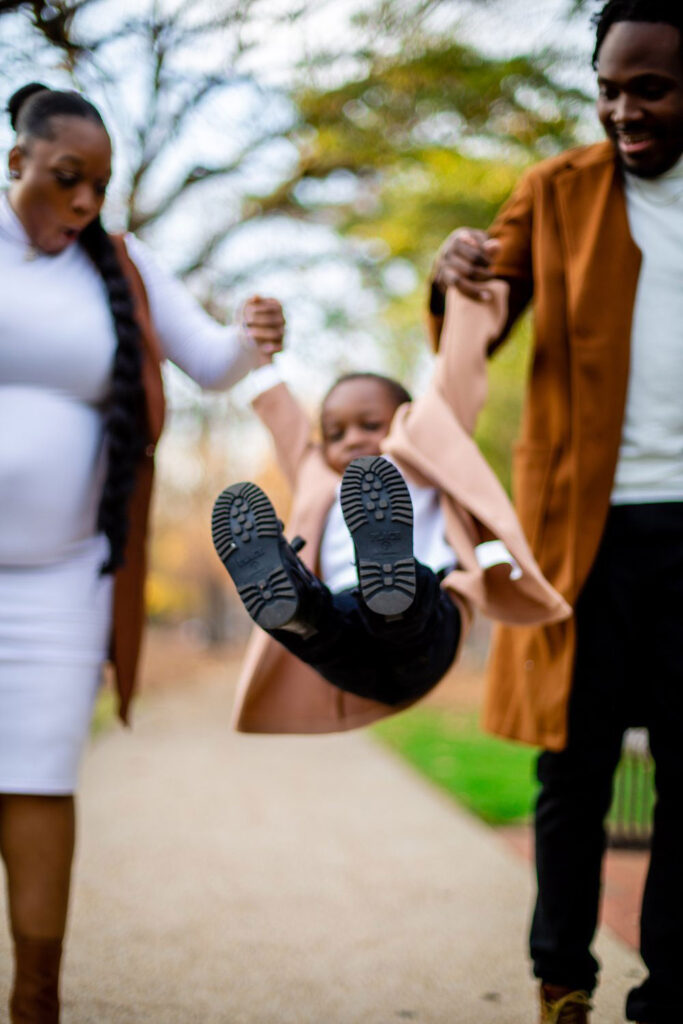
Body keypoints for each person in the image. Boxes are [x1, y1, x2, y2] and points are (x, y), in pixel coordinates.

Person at [0, 81, 284, 1023]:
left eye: (100, 187)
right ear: (18, 165)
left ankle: (35, 1001)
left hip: (62, 581)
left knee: (41, 776)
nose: (85, 204)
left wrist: (251, 337)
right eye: (66, 180)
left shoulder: (117, 264)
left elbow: (208, 360)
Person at [430, 2, 683, 1022]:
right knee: (569, 768)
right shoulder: (556, 190)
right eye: (606, 90)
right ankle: (561, 981)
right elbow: (481, 313)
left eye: (648, 88)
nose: (621, 111)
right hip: (581, 534)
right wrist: (457, 278)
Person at [211, 288, 569, 737]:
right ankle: (293, 605)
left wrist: (465, 294)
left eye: (370, 425)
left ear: (405, 419)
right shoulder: (315, 471)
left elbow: (457, 373)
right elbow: (283, 416)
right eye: (336, 433)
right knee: (322, 628)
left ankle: (389, 580)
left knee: (408, 600)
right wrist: (257, 350)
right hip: (353, 641)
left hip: (430, 628)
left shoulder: (423, 452)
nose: (353, 440)